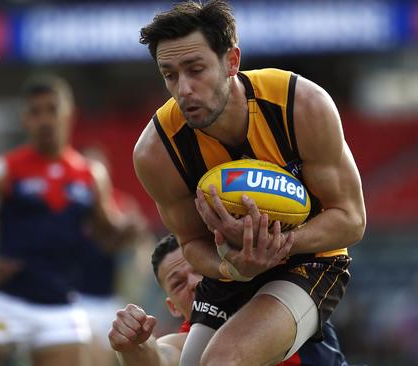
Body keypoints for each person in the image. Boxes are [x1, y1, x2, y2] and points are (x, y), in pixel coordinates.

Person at [133, 1, 366, 365]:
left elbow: (352, 219)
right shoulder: (155, 151)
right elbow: (192, 243)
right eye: (170, 75)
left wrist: (277, 245)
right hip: (229, 272)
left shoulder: (301, 105)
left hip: (311, 260)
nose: (184, 89)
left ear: (232, 61)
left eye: (196, 70)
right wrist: (233, 267)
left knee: (223, 361)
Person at [0, 75, 141, 366]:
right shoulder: (4, 170)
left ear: (69, 115)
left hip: (60, 304)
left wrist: (126, 232)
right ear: (25, 120)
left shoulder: (90, 174)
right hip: (6, 300)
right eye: (36, 112)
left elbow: (105, 235)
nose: (45, 119)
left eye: (52, 109)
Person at [108, 234, 349, 366]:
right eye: (178, 283)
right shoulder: (191, 339)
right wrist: (133, 347)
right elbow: (161, 357)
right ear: (173, 307)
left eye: (199, 269)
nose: (194, 283)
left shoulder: (276, 296)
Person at [72, 146, 156, 366]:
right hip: (77, 298)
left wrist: (140, 268)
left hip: (111, 298)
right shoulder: (72, 210)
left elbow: (141, 240)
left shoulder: (121, 205)